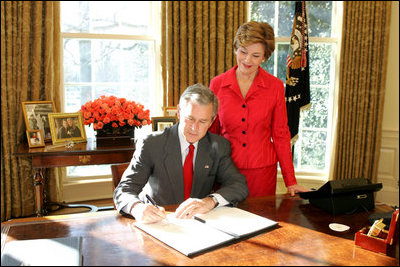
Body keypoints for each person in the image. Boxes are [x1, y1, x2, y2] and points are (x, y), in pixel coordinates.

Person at [114, 83, 249, 224]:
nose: (194, 128)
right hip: (159, 222)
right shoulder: (152, 144)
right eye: (190, 118)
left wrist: (211, 201)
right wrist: (137, 208)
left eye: (202, 121)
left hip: (198, 225)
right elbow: (123, 190)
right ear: (178, 112)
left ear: (212, 121)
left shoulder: (218, 146)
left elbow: (238, 185)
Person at [208, 21, 309, 197]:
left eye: (255, 55)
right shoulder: (217, 84)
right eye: (243, 52)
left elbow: (280, 135)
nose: (247, 60)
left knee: (262, 221)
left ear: (264, 57)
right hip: (225, 171)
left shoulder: (275, 87)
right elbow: (211, 134)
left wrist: (290, 181)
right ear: (235, 48)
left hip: (262, 173)